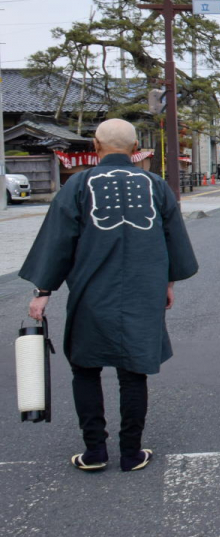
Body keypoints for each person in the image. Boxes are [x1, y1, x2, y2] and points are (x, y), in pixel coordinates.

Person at [20, 118, 198, 472]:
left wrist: (43, 292)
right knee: (133, 372)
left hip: (91, 293)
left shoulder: (79, 185)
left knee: (85, 368)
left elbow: (59, 242)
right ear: (135, 150)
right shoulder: (156, 185)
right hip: (142, 293)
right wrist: (168, 284)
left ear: (96, 148)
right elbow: (172, 241)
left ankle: (95, 452)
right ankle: (131, 453)